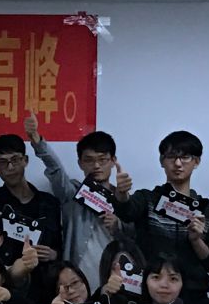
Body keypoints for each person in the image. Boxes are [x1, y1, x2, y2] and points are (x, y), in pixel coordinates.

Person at [116, 130, 209, 304]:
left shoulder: (208, 211)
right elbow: (127, 212)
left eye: (185, 157)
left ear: (196, 161)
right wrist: (121, 194)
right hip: (150, 297)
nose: (178, 163)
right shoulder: (147, 199)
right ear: (161, 161)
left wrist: (196, 241)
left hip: (194, 298)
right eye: (171, 157)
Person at [27, 115, 132, 289]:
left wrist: (117, 225)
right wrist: (37, 141)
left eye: (102, 159)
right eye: (89, 160)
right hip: (76, 282)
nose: (96, 165)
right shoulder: (72, 193)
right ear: (80, 163)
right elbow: (55, 169)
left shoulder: (123, 199)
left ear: (113, 161)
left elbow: (136, 239)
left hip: (114, 280)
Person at [0, 132, 63, 267]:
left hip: (45, 276)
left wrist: (54, 255)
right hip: (5, 277)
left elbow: (63, 244)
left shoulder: (50, 203)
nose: (10, 167)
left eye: (15, 159)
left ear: (25, 160)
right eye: (3, 162)